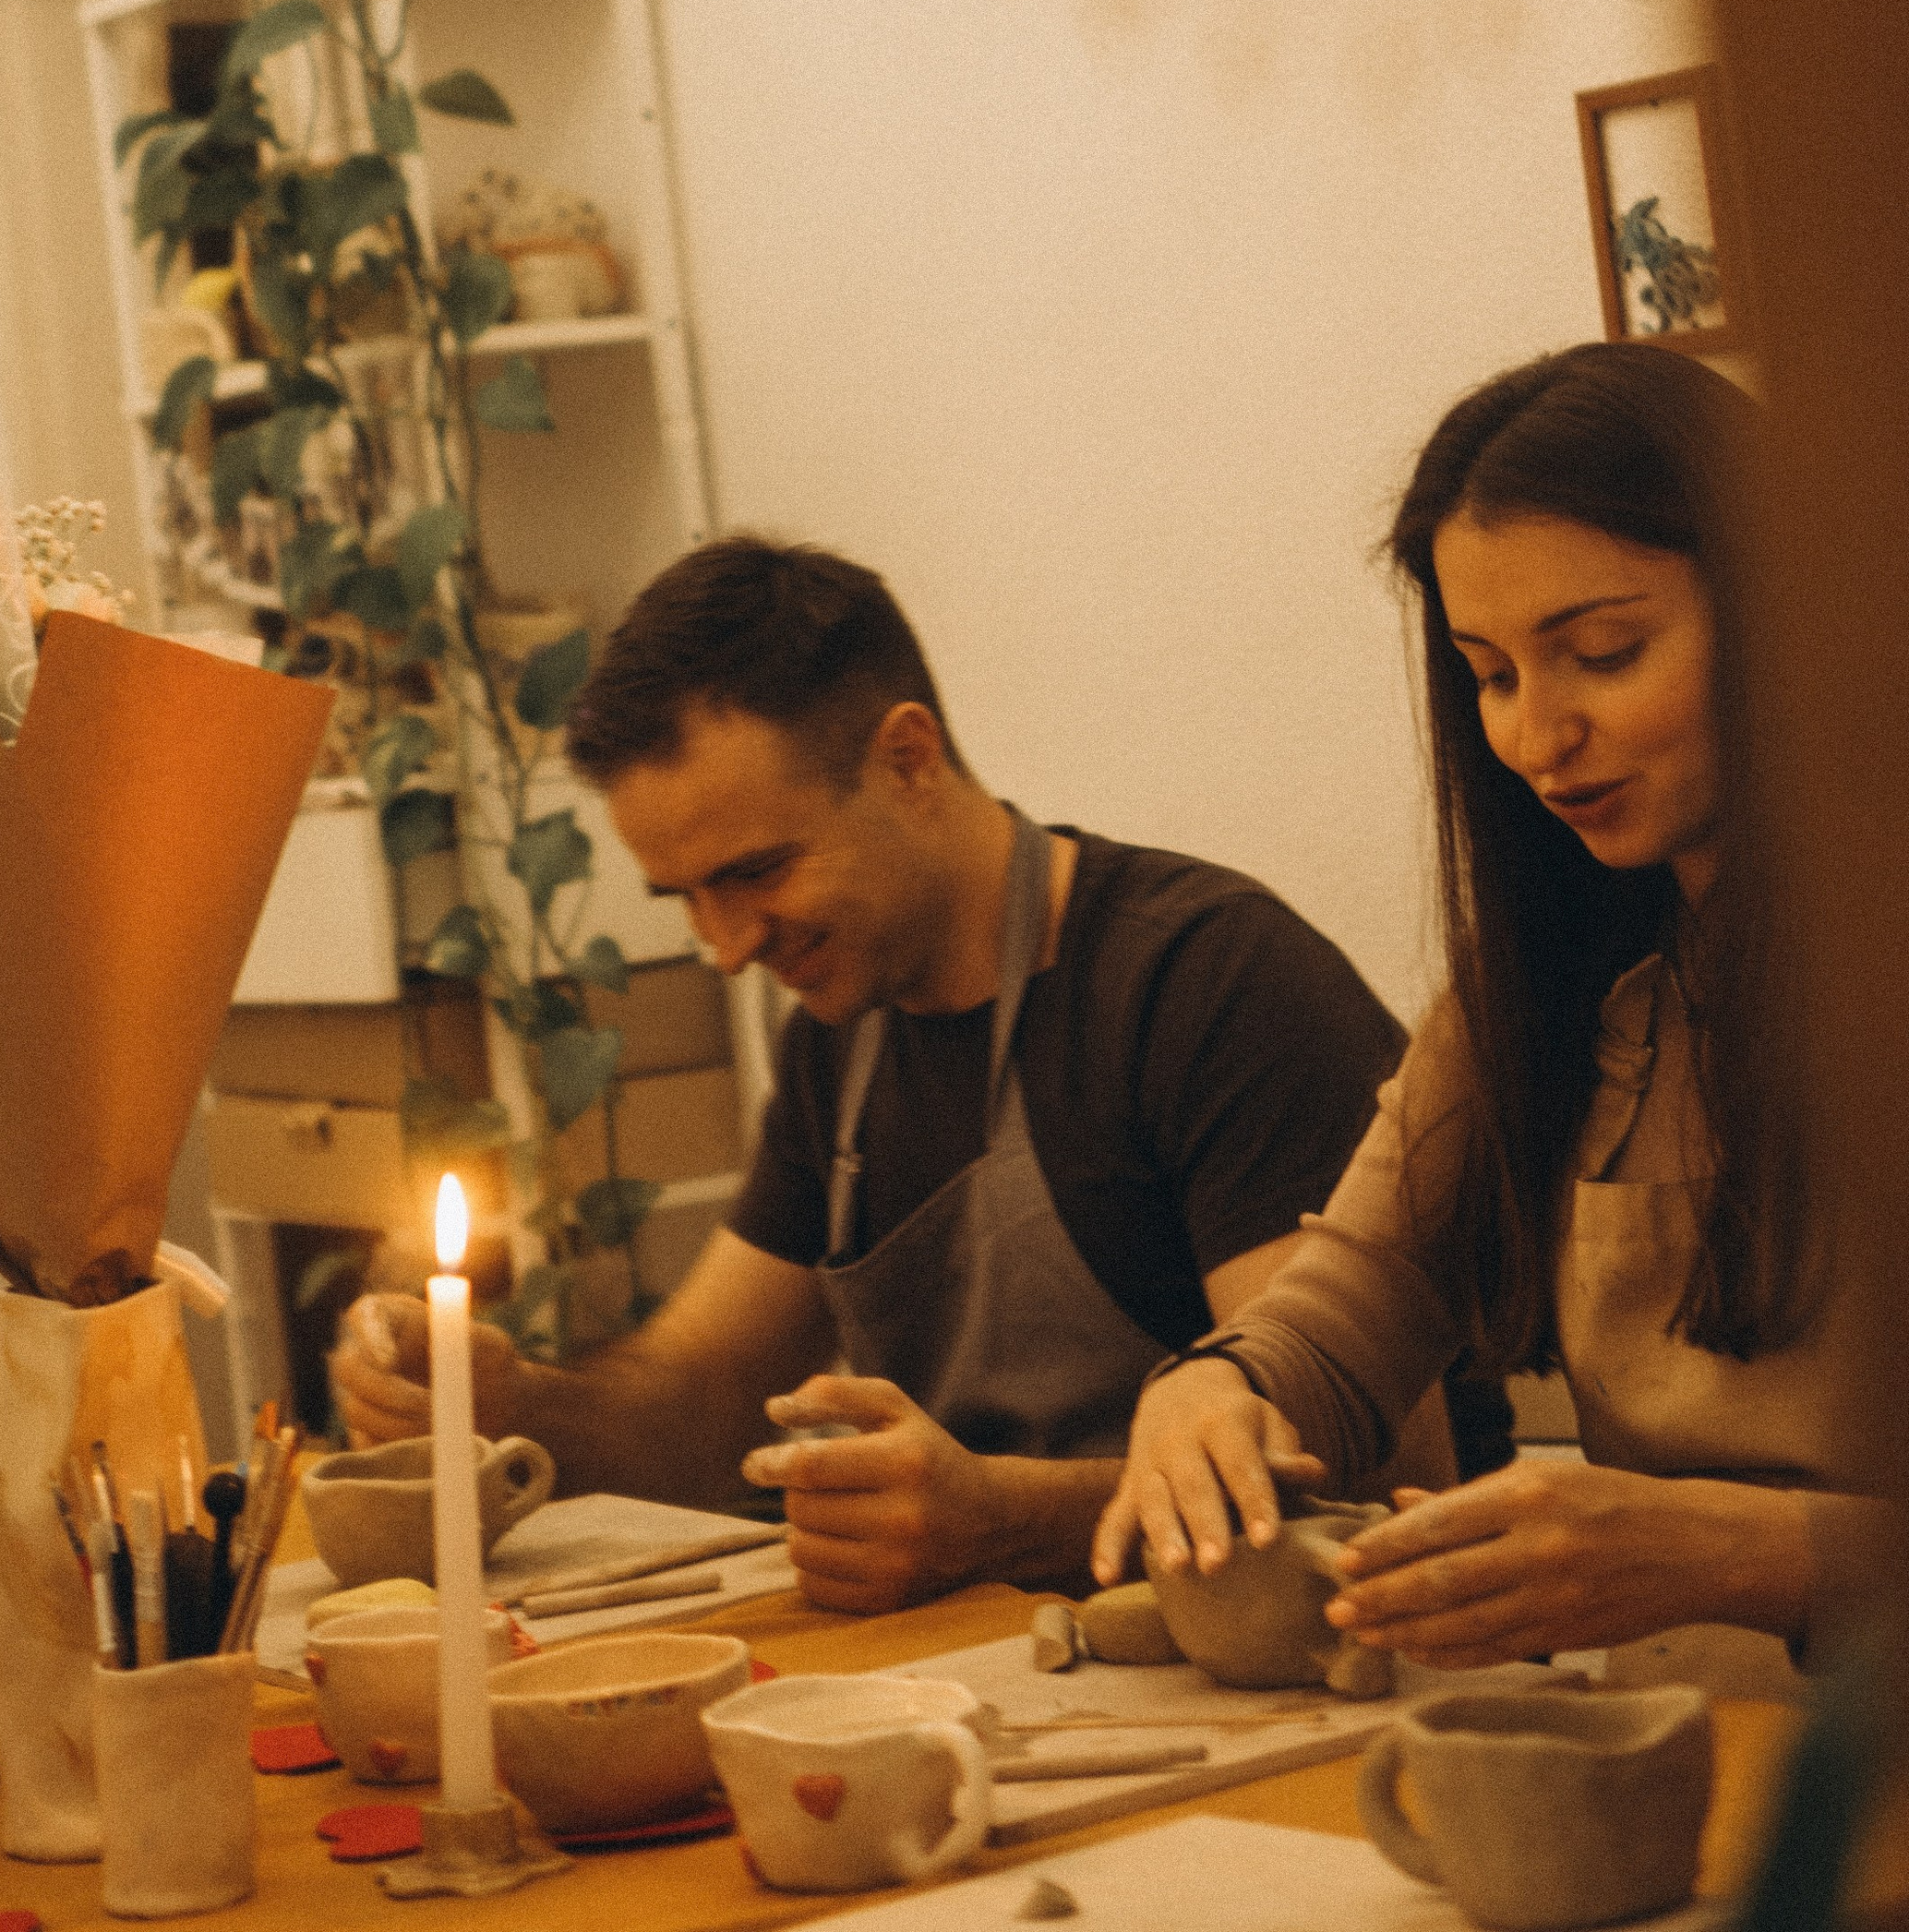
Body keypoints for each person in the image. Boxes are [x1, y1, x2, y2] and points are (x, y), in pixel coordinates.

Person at [335, 535, 1460, 1614]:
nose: (727, 946)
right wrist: (519, 1406)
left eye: (755, 872)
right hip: (985, 1671)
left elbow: (1352, 1469)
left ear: (909, 761)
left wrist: (1003, 1519)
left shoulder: (1208, 984)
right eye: (685, 898)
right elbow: (704, 1394)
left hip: (1295, 1684)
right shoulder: (845, 1022)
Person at [1094, 342, 1886, 1682]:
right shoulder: (1554, 977)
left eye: (1603, 653)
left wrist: (1733, 1553)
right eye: (1493, 673)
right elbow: (1356, 1295)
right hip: (1670, 1756)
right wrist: (1216, 1389)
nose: (1533, 738)